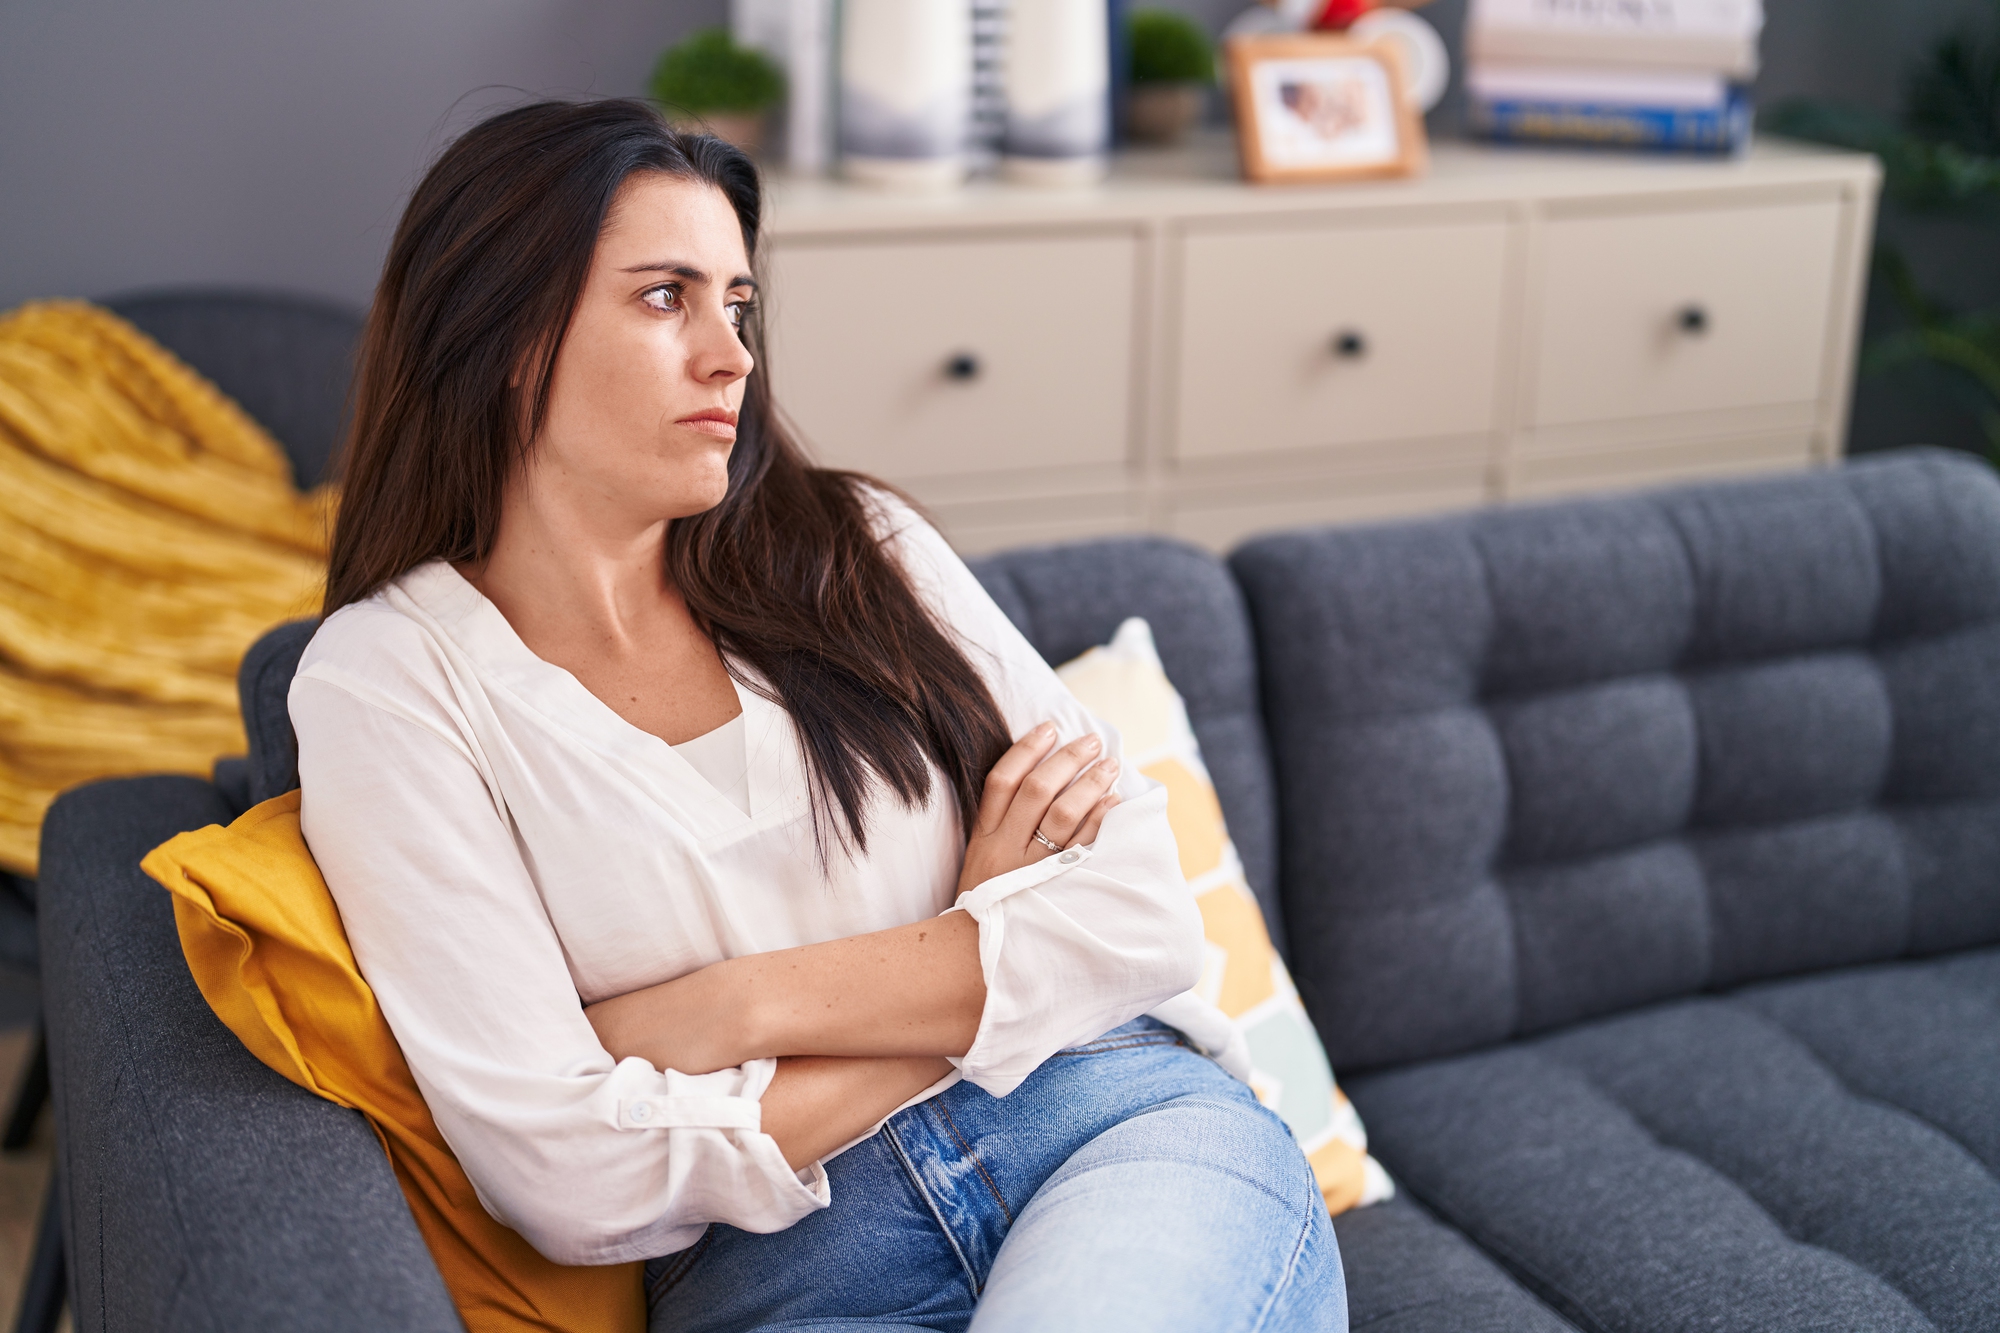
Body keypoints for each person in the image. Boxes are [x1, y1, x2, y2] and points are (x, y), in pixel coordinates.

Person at [292, 97, 1346, 1333]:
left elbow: (1137, 916)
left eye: (735, 302)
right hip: (786, 1267)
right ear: (505, 333)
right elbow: (566, 1173)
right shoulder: (390, 681)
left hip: (1109, 1129)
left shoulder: (860, 546)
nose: (730, 354)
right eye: (662, 297)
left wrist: (721, 1011)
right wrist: (970, 943)